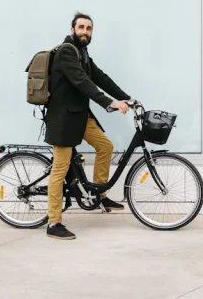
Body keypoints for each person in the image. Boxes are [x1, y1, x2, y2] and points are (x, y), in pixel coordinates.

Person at [44, 12, 133, 240]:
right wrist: (109, 102)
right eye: (81, 27)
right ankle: (54, 222)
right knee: (60, 168)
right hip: (63, 119)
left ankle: (99, 195)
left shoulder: (82, 52)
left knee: (105, 146)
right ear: (72, 29)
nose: (85, 31)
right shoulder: (66, 52)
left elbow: (100, 78)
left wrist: (126, 98)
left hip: (80, 116)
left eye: (89, 28)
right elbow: (82, 82)